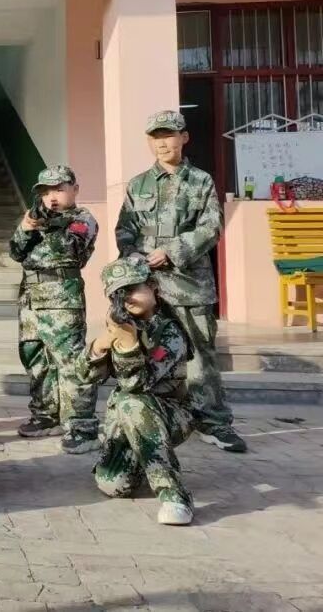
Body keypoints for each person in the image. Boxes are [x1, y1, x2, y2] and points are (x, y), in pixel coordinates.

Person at [115, 110, 246, 453]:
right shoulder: (138, 184)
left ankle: (212, 422)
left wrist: (171, 252)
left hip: (190, 285)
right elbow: (125, 229)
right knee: (150, 353)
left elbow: (211, 227)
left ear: (184, 138)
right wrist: (133, 257)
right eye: (156, 137)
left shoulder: (200, 181)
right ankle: (156, 417)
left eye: (169, 135)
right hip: (148, 288)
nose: (162, 143)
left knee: (200, 357)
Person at [76, 256, 195, 525]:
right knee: (113, 484)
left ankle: (174, 496)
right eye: (118, 294)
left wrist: (128, 346)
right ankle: (145, 457)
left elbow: (137, 385)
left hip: (170, 414)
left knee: (133, 401)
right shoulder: (124, 325)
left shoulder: (170, 333)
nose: (126, 298)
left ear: (153, 286)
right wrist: (100, 346)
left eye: (132, 289)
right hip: (126, 420)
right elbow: (84, 376)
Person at [9, 165, 101, 453]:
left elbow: (70, 249)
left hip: (62, 297)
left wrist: (46, 225)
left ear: (75, 189)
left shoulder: (82, 218)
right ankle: (46, 415)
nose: (52, 197)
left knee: (71, 362)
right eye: (46, 192)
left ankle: (82, 427)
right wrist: (26, 228)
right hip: (31, 298)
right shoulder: (36, 218)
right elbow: (15, 251)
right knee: (35, 358)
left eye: (59, 190)